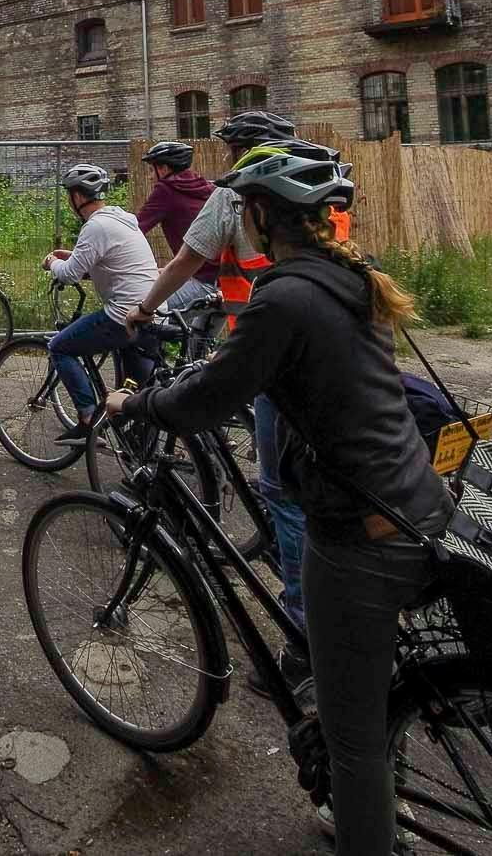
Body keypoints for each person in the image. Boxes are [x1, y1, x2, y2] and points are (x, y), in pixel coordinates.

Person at [106, 144, 447, 853]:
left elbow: (208, 397)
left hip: (361, 533)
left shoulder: (284, 295)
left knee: (352, 742)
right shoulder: (349, 277)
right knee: (369, 684)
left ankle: (367, 829)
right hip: (420, 501)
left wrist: (141, 400)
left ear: (260, 214)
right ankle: (389, 772)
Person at [127, 111, 312, 686]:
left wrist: (143, 307)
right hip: (325, 338)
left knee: (280, 488)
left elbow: (180, 257)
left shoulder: (233, 198)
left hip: (264, 342)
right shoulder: (319, 194)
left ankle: (308, 638)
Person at [43, 163, 159, 428]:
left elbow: (70, 274)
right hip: (151, 310)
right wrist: (72, 257)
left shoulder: (95, 227)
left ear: (79, 197)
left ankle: (87, 418)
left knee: (59, 347)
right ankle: (137, 443)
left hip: (123, 314)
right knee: (134, 392)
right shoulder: (122, 219)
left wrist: (51, 262)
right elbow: (105, 260)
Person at [133, 140, 218, 313]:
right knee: (199, 339)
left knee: (138, 314)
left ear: (164, 169)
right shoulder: (206, 187)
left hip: (202, 282)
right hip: (224, 282)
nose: (150, 176)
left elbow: (134, 230)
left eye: (152, 170)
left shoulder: (166, 190)